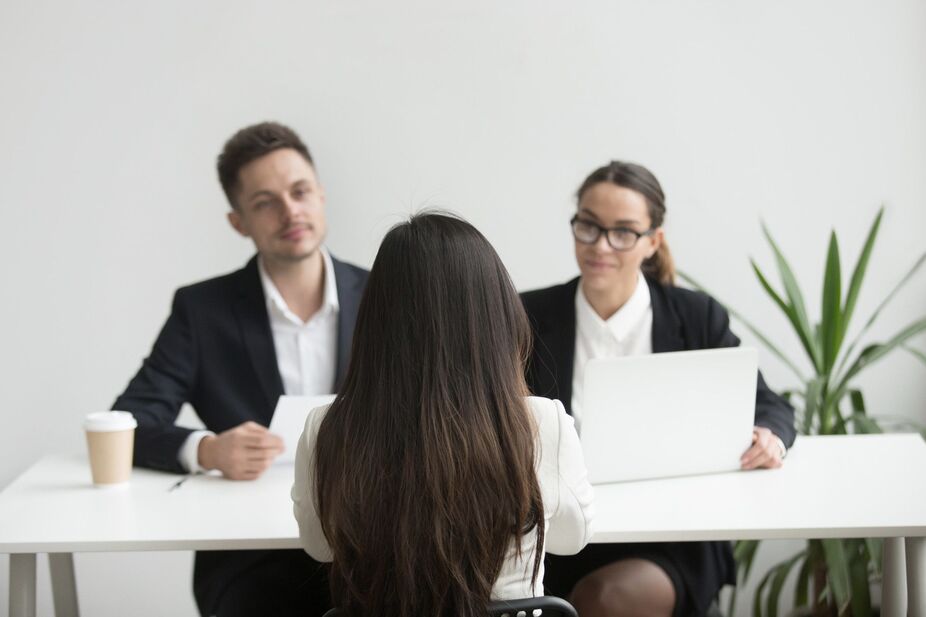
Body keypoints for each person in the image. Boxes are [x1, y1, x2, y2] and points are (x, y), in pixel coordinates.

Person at [112, 121, 368, 617]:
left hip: (370, 542)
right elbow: (130, 420)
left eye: (299, 192)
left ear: (321, 195)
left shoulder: (386, 294)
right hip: (250, 556)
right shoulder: (202, 310)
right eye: (265, 202)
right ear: (238, 222)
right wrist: (206, 448)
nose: (290, 211)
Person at [521, 161, 797, 617]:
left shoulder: (695, 317)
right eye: (588, 226)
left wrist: (770, 435)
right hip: (562, 534)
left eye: (623, 232)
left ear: (653, 241)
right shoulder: (530, 315)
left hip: (673, 536)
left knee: (604, 601)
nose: (601, 245)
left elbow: (769, 404)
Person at [291, 212, 595, 617]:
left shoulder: (327, 426)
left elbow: (320, 545)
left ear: (375, 321)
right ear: (496, 316)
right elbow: (572, 539)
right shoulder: (542, 423)